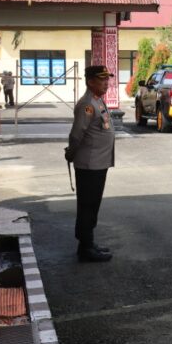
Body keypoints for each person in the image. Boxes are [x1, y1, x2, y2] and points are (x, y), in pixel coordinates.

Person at [65, 65, 116, 263]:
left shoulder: (97, 100)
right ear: (90, 82)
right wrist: (71, 153)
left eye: (107, 79)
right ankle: (85, 248)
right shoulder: (87, 104)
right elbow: (77, 134)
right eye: (101, 79)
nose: (106, 83)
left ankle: (88, 242)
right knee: (87, 206)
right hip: (89, 164)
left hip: (99, 163)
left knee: (93, 206)